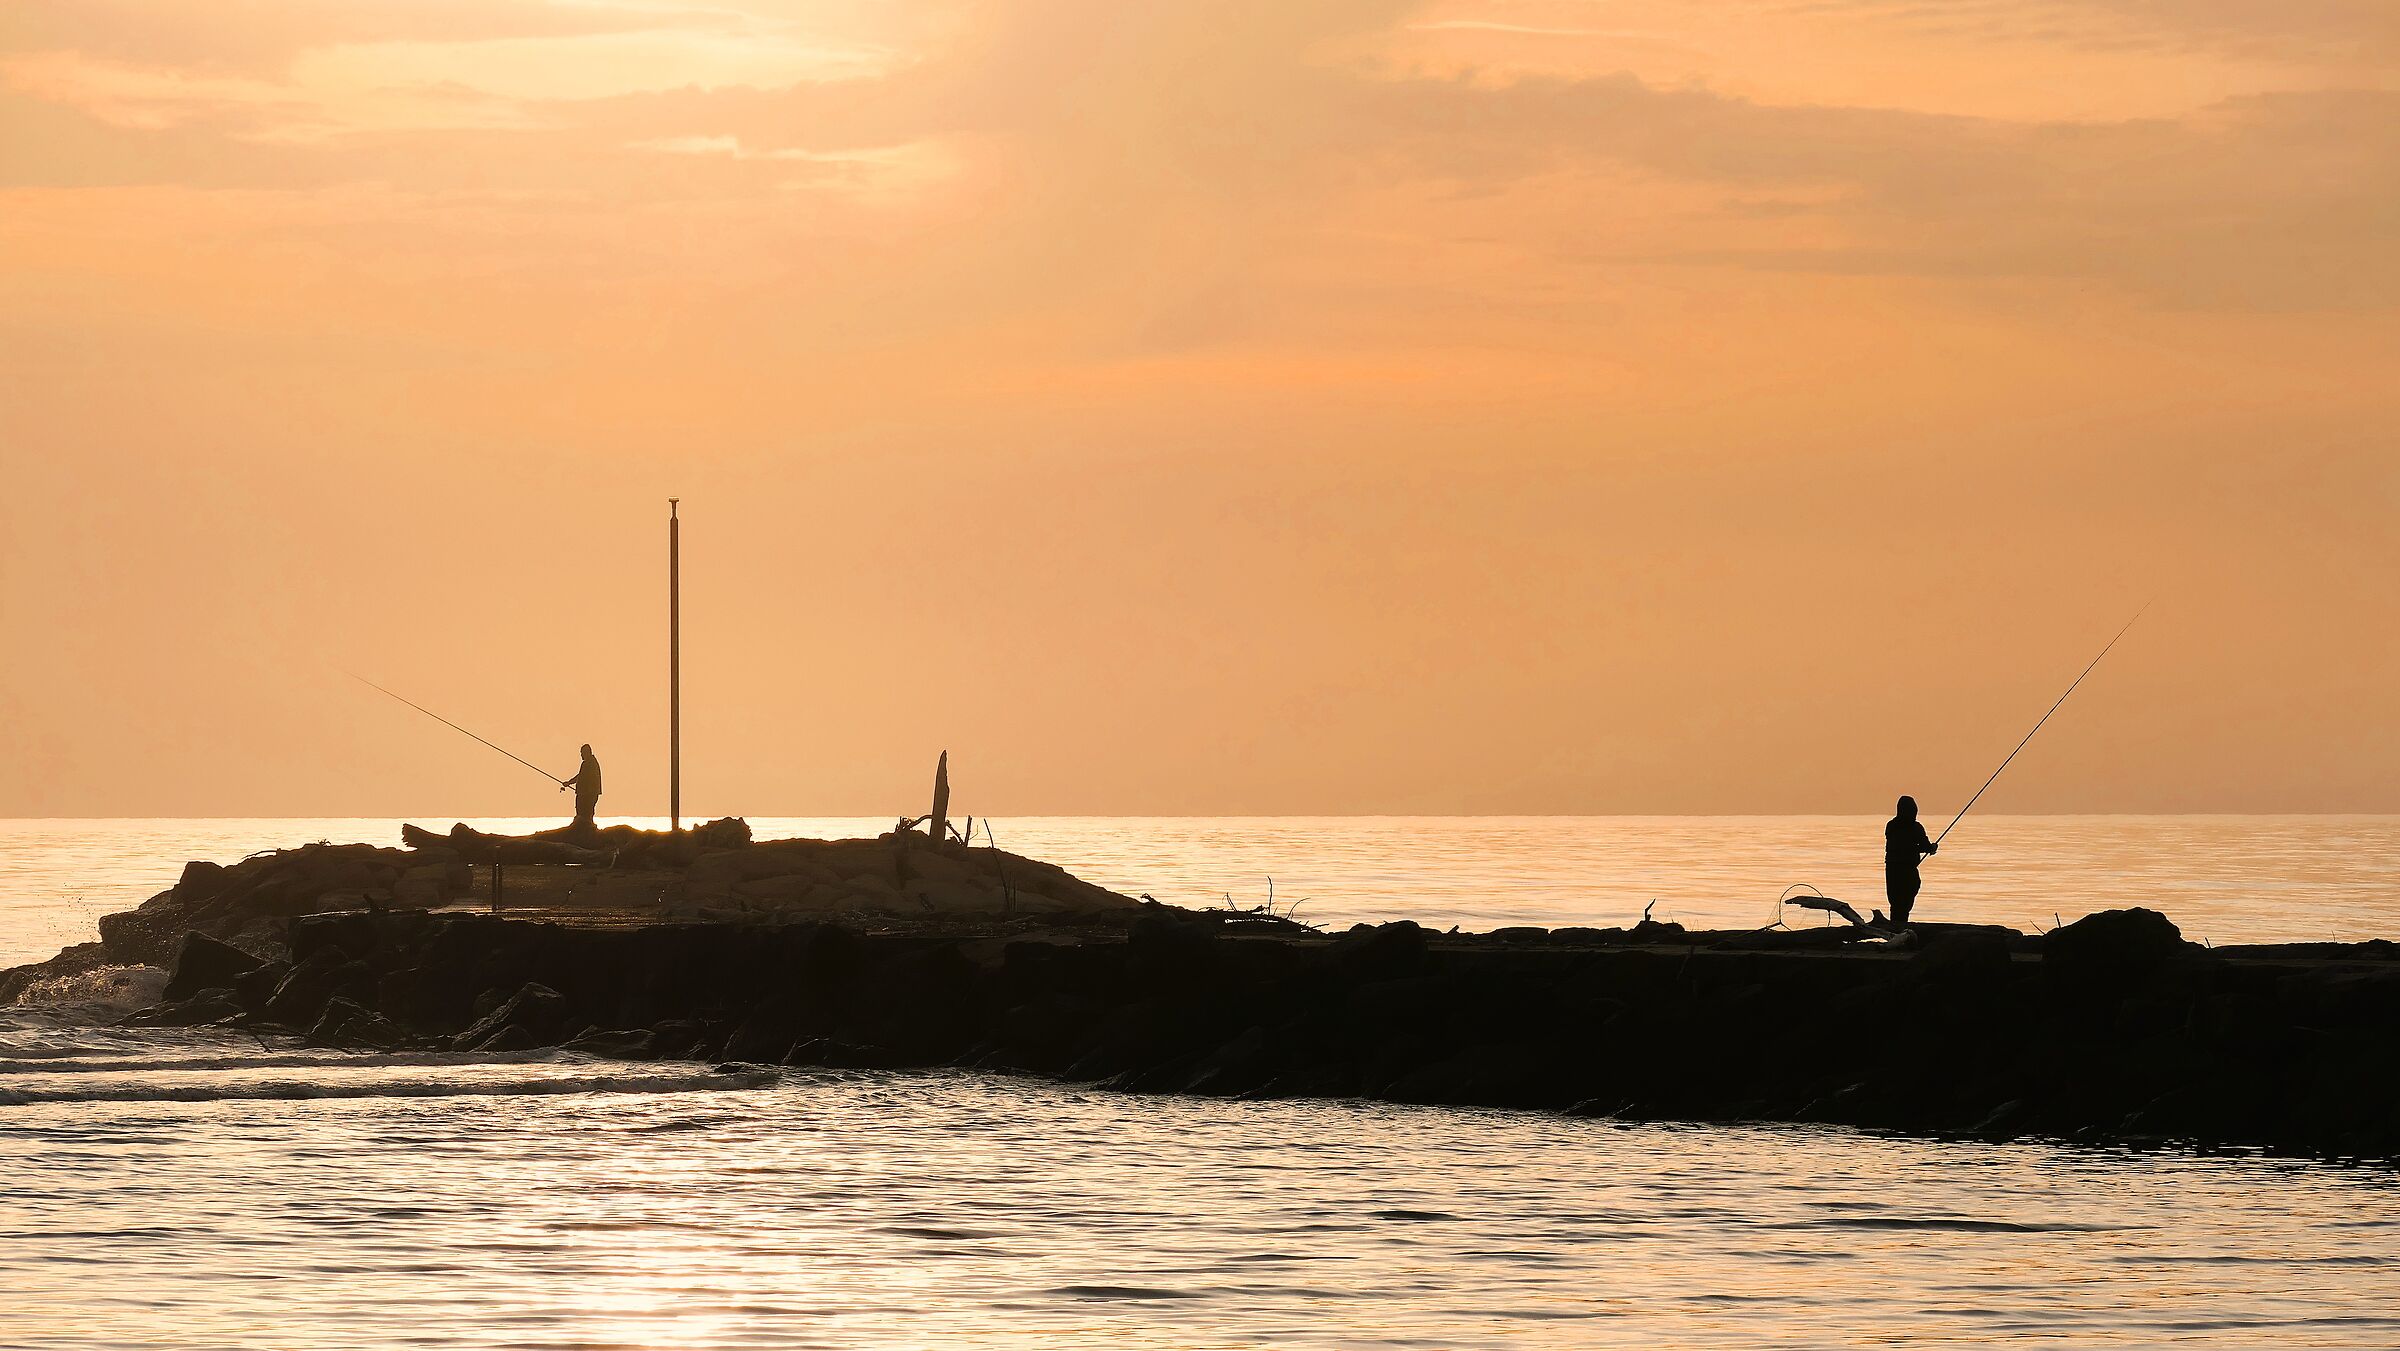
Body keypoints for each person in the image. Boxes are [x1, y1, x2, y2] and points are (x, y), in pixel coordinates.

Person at [1884, 795, 1936, 927]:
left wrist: (1926, 848)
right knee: (1907, 895)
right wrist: (1932, 848)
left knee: (1896, 901)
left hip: (1892, 868)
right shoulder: (1915, 827)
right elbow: (1924, 846)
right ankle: (1900, 926)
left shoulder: (1891, 826)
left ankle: (1896, 926)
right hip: (1906, 869)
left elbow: (1900, 845)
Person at [559, 744, 602, 833]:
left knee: (584, 816)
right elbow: (581, 777)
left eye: (582, 753)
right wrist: (569, 782)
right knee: (587, 815)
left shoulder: (588, 763)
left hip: (587, 796)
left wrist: (570, 783)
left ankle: (585, 833)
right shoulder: (591, 762)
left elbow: (582, 778)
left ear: (587, 752)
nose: (581, 755)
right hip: (589, 795)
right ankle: (588, 832)